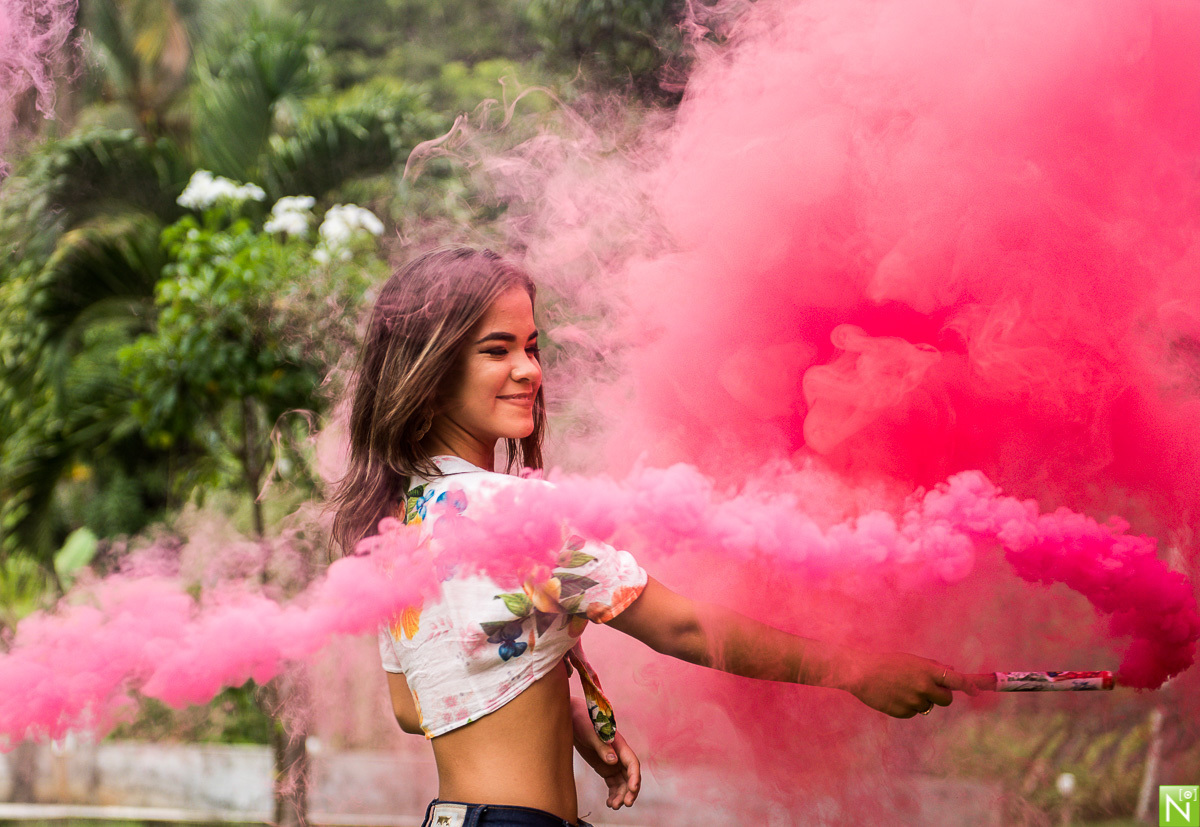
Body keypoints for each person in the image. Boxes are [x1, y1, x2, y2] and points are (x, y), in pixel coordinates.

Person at [329, 246, 976, 827]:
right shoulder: (517, 513)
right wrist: (853, 667)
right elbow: (682, 628)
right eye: (497, 350)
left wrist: (571, 721)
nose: (529, 370)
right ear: (431, 371)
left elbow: (415, 706)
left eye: (532, 346)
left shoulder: (401, 525)